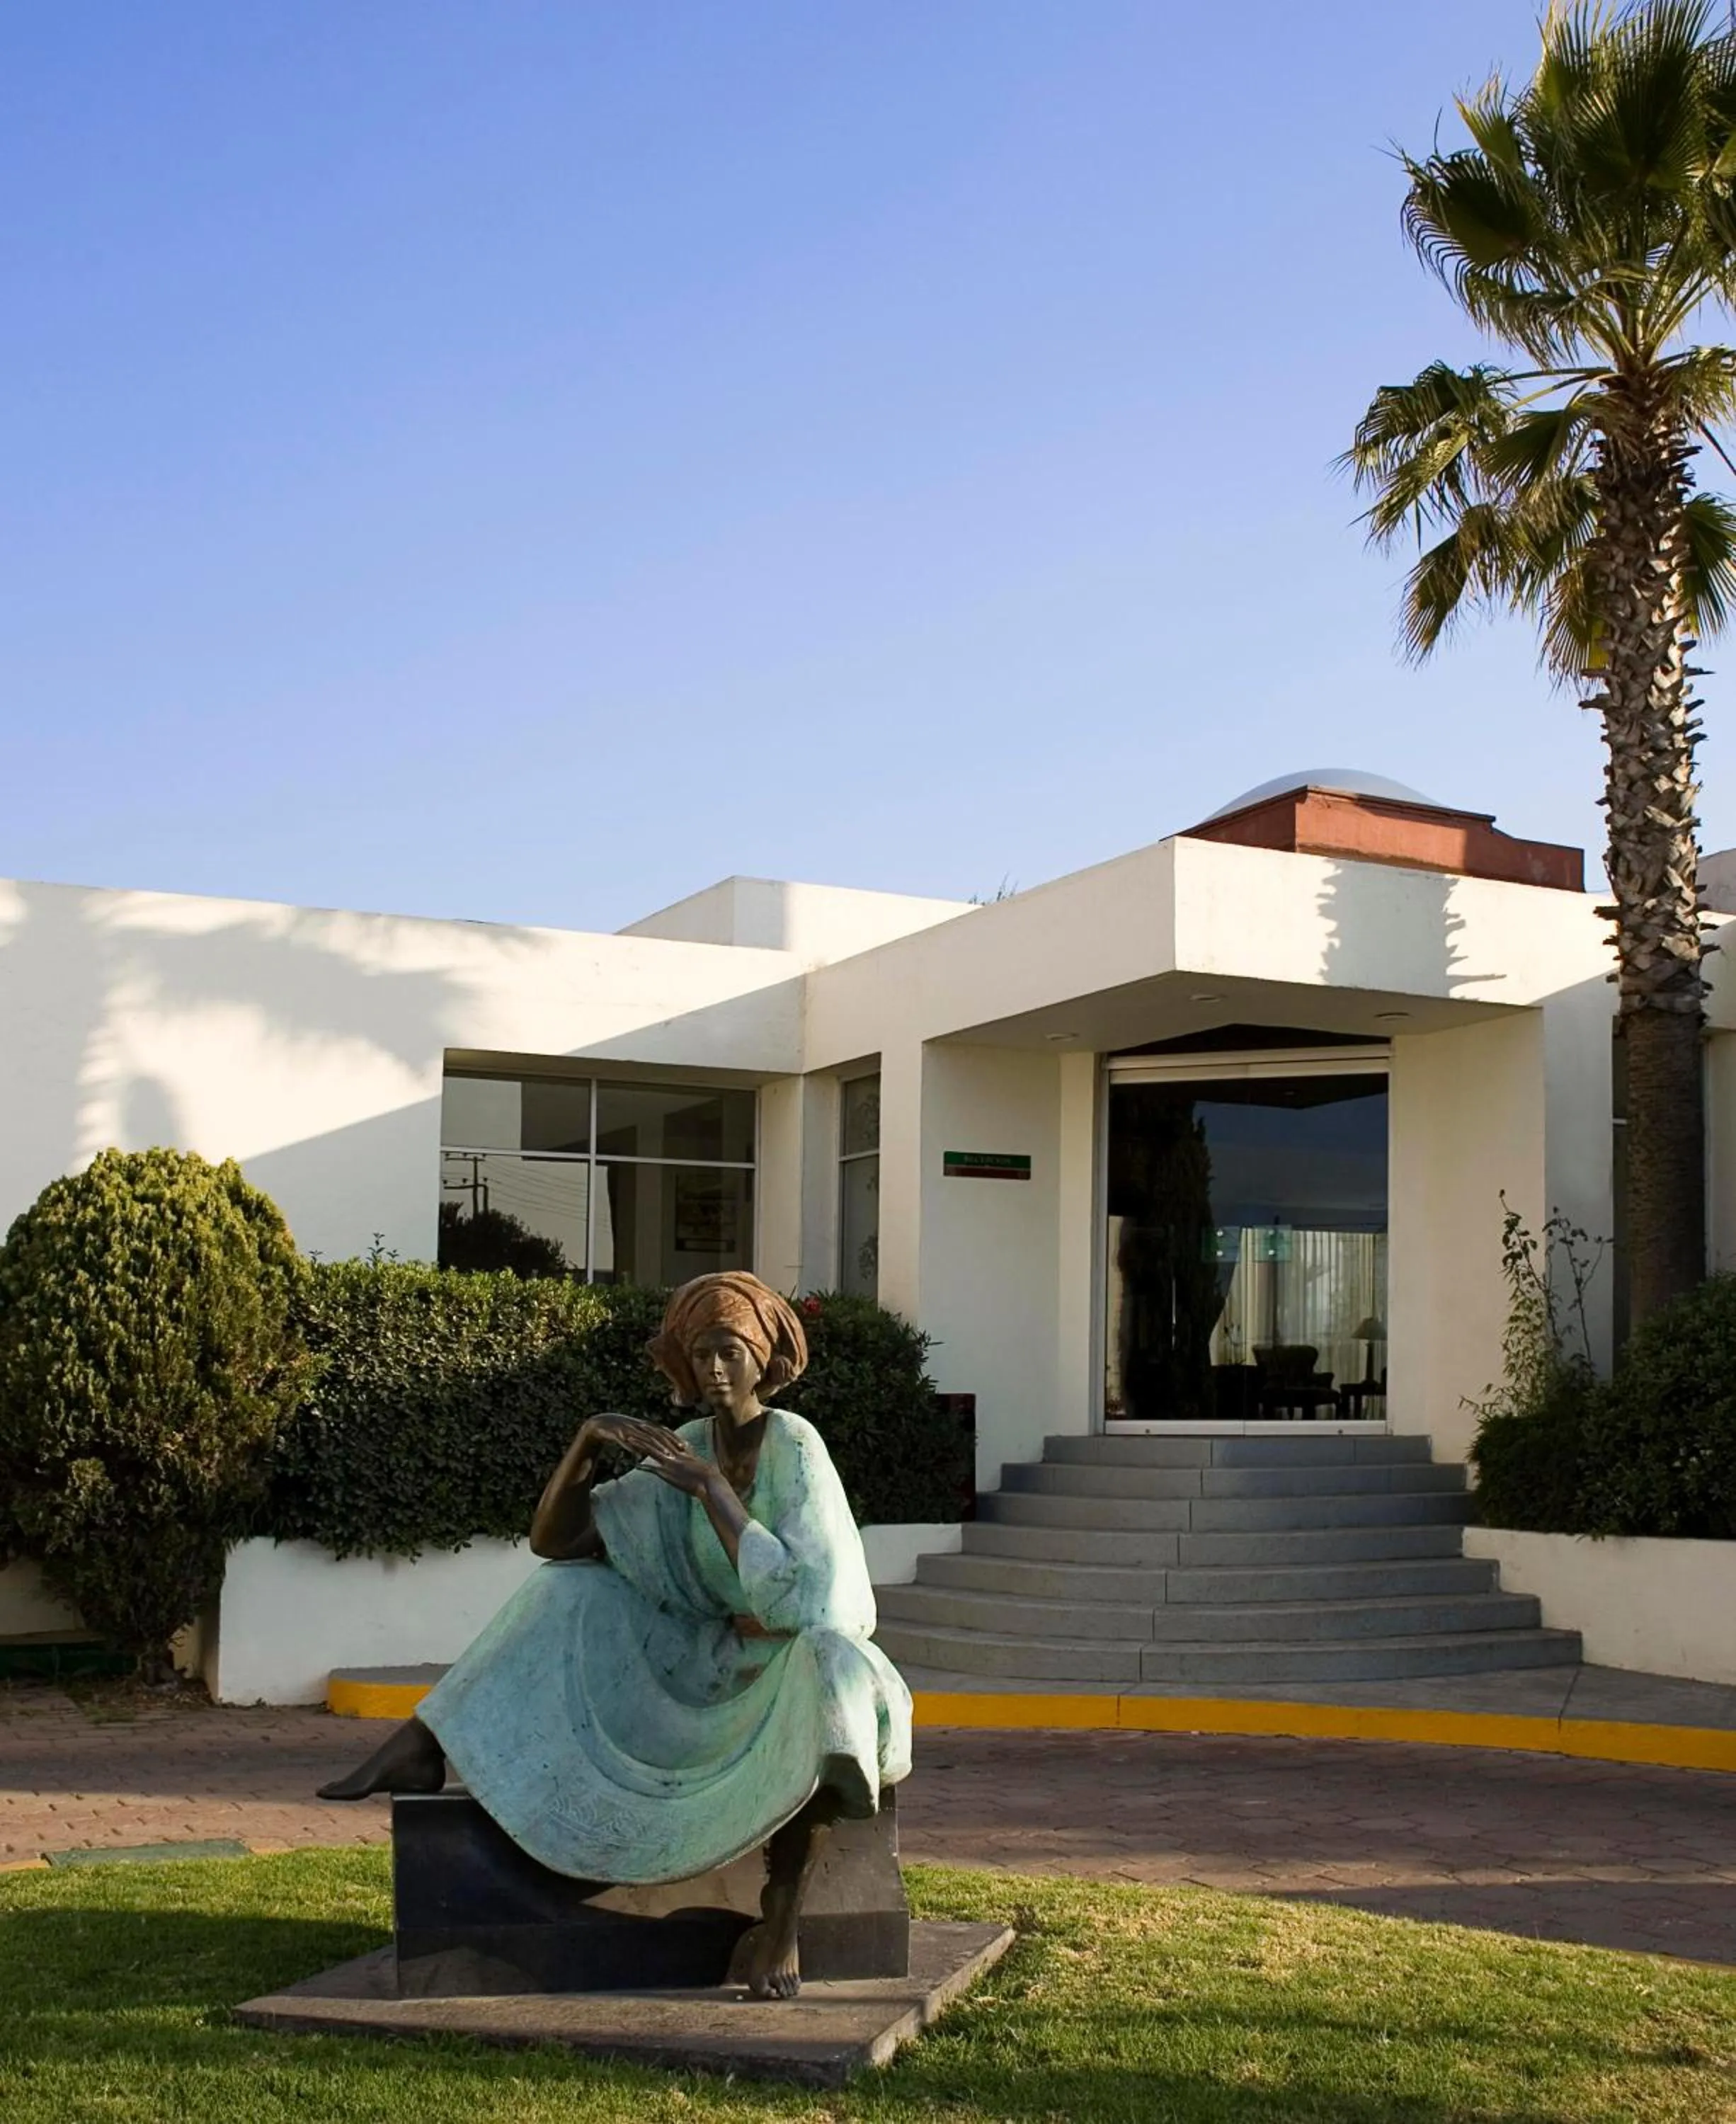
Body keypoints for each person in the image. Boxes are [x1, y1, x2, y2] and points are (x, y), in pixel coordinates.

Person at [318, 1270, 912, 2000]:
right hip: (705, 1662)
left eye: (731, 1351)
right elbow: (558, 1541)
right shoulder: (688, 1442)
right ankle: (425, 1743)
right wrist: (588, 1441)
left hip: (784, 1662)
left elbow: (819, 1606)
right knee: (569, 1589)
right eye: (701, 1355)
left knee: (836, 1677)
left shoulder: (794, 1445)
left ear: (764, 1360)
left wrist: (712, 1491)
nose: (716, 1369)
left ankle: (781, 1918)